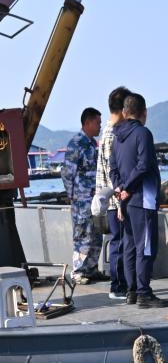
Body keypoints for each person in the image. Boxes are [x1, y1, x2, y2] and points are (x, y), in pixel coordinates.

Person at [110, 93, 168, 309]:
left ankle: (132, 291)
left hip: (126, 201)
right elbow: (144, 165)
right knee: (145, 246)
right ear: (144, 113)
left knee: (130, 246)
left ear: (125, 113)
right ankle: (144, 293)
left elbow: (113, 168)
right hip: (143, 198)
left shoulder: (117, 137)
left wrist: (120, 189)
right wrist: (127, 188)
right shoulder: (143, 134)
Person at [61, 107, 105, 284]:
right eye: (97, 123)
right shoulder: (76, 143)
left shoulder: (92, 144)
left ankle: (92, 269)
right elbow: (66, 172)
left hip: (94, 199)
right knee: (82, 235)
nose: (99, 126)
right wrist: (72, 196)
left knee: (96, 233)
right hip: (81, 200)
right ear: (87, 123)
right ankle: (78, 272)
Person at [95, 86, 131, 300]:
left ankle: (120, 283)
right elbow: (113, 174)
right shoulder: (112, 135)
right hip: (114, 202)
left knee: (118, 241)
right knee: (118, 242)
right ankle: (117, 286)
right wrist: (120, 205)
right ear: (123, 109)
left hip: (110, 200)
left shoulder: (106, 132)